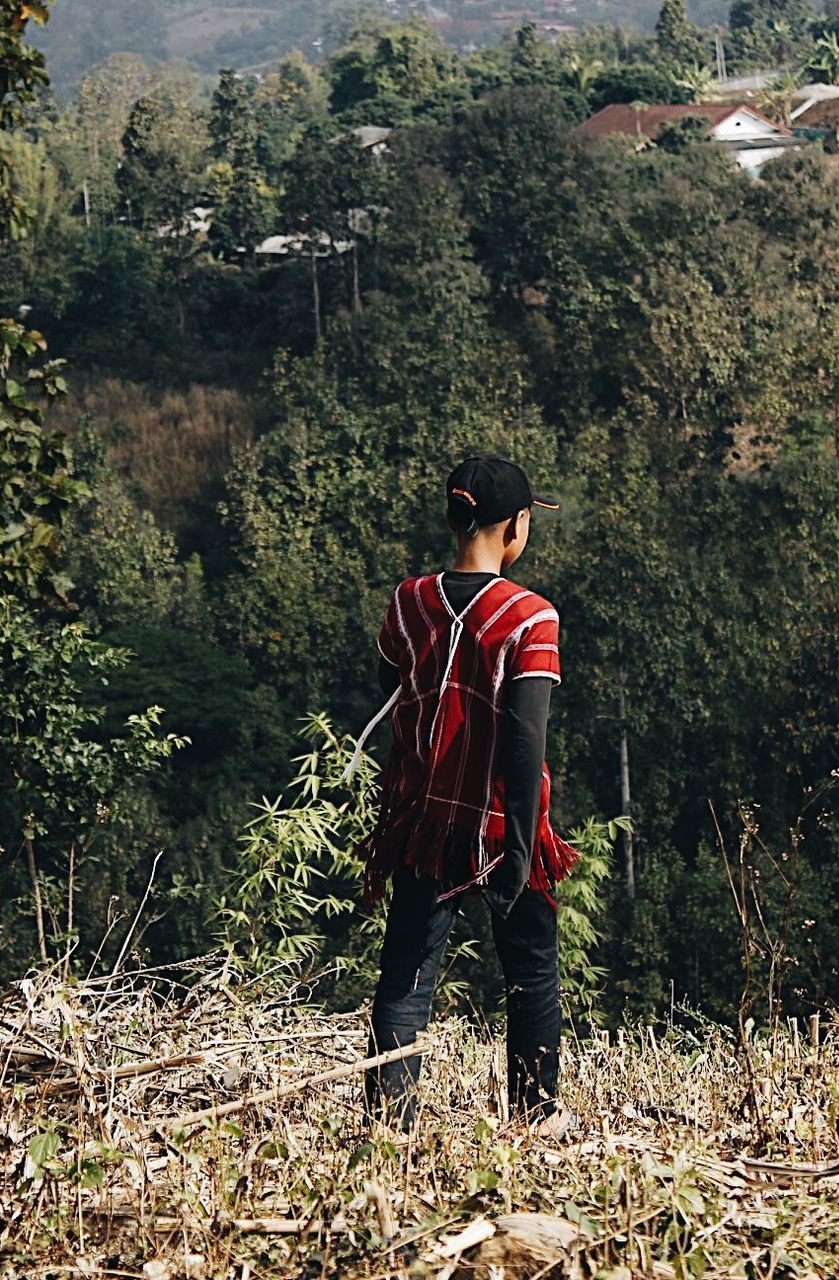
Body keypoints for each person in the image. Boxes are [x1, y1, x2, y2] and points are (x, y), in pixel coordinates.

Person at [350, 454, 578, 1140]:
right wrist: (516, 849)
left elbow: (389, 686)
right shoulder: (531, 617)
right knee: (531, 974)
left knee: (404, 985)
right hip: (502, 822)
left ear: (455, 519)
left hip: (426, 820)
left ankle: (390, 1133)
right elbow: (524, 738)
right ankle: (535, 1121)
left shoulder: (409, 600)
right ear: (515, 528)